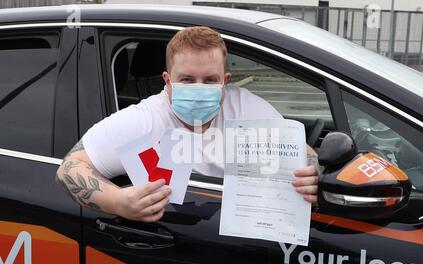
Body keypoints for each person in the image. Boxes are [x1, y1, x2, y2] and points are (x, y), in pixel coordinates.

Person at [55, 26, 319, 223]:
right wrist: (118, 201)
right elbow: (69, 168)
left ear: (225, 81)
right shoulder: (145, 119)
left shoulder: (246, 108)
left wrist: (311, 172)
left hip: (244, 239)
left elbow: (305, 153)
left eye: (210, 80)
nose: (199, 89)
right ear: (168, 80)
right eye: (187, 80)